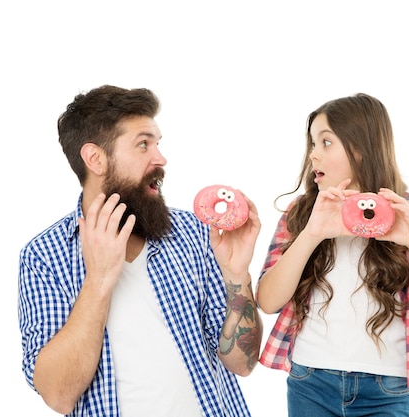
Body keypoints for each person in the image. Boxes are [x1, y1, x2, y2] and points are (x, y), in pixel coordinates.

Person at [18, 85, 263, 417]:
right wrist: (99, 280)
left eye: (157, 143)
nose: (160, 158)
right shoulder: (44, 256)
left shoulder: (194, 232)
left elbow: (242, 363)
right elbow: (58, 395)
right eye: (143, 144)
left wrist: (237, 277)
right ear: (95, 159)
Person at [256, 93, 409, 416]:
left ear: (359, 149)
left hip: (386, 389)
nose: (313, 155)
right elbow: (267, 300)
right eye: (312, 144)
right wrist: (313, 233)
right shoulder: (302, 213)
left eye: (326, 143)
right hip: (310, 381)